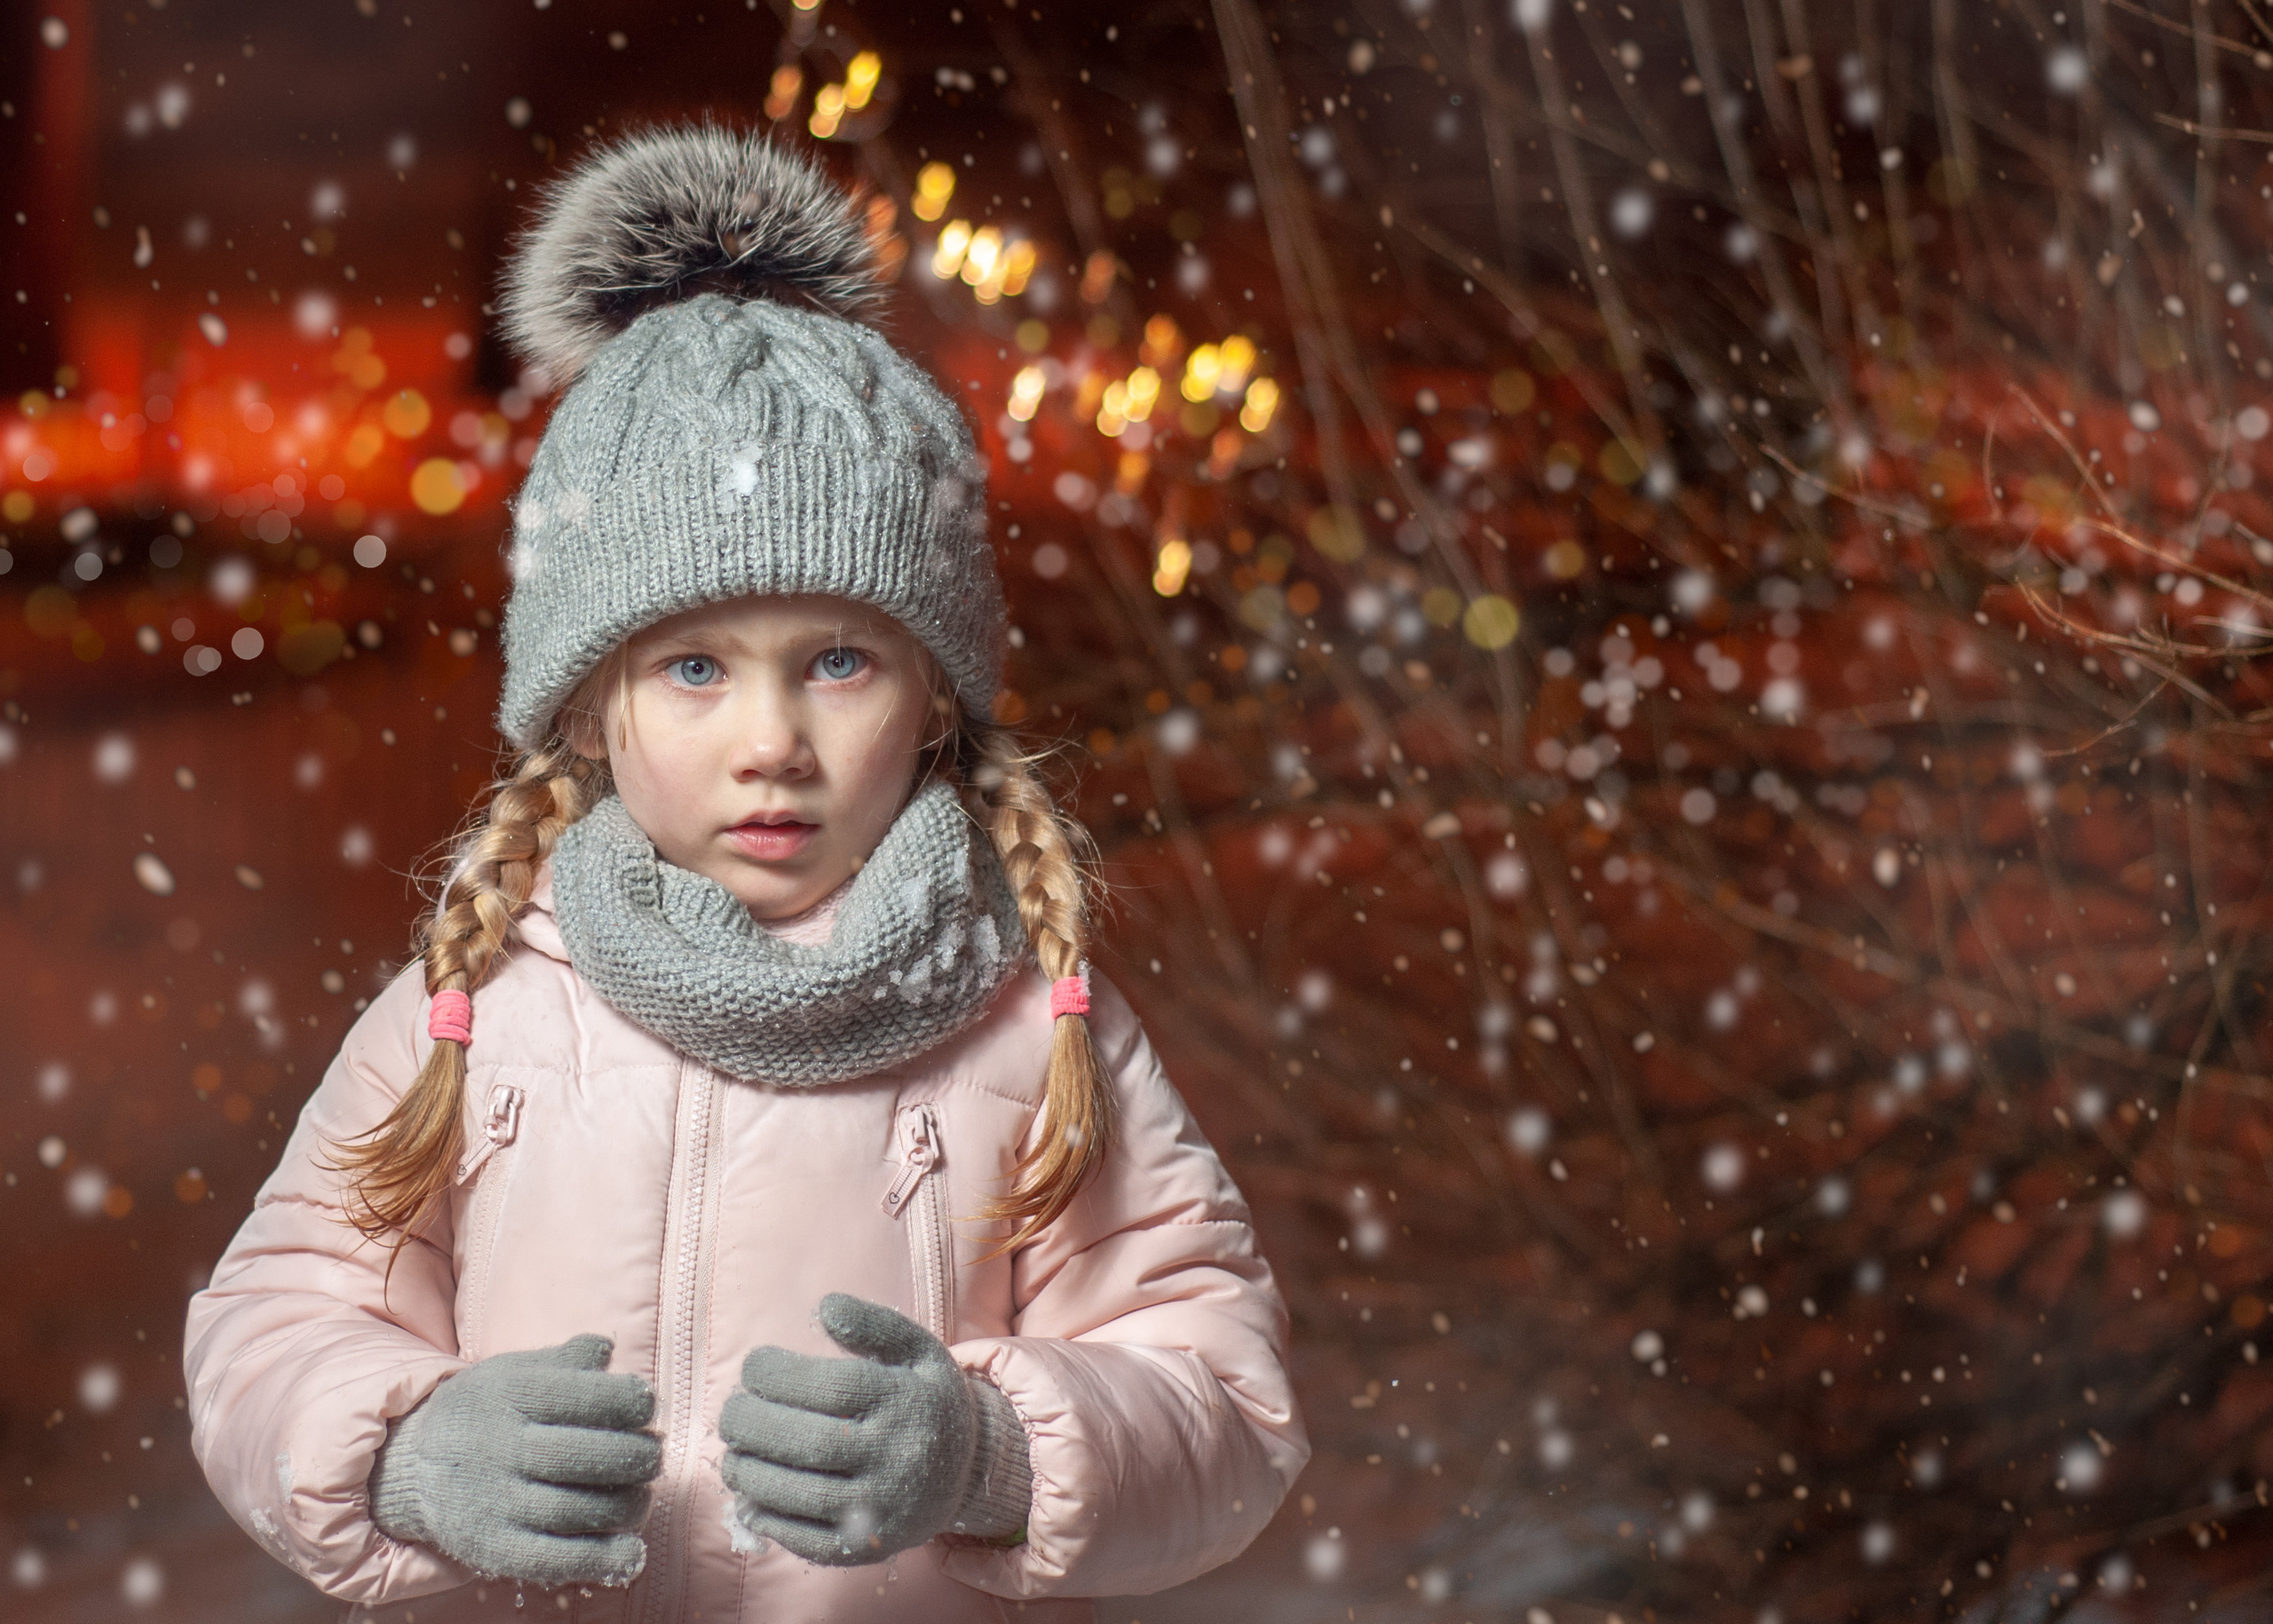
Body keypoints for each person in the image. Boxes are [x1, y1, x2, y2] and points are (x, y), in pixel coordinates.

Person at [182, 126, 1306, 1623]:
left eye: (838, 661)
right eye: (695, 667)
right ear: (592, 702)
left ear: (935, 699)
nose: (771, 741)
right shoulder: (478, 1010)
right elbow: (270, 1320)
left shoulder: (1029, 1034)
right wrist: (399, 1448)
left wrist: (991, 1454)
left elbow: (1220, 1392)